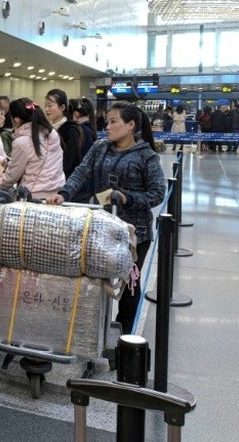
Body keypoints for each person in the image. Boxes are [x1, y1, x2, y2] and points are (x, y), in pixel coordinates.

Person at [46, 102, 166, 334]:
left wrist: (127, 197)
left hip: (135, 235)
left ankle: (124, 334)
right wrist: (64, 194)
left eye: (113, 122)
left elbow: (157, 193)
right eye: (107, 122)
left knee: (129, 284)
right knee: (95, 281)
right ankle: (93, 331)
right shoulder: (100, 147)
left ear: (131, 125)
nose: (107, 127)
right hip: (101, 229)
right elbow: (81, 172)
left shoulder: (147, 156)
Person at [0, 98, 65, 199]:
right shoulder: (52, 133)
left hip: (33, 195)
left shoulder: (22, 142)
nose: (5, 119)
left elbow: (11, 177)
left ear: (17, 120)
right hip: (57, 193)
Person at [45, 89, 83, 179]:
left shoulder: (70, 130)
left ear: (62, 107)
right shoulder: (47, 128)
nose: (46, 109)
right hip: (48, 178)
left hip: (63, 180)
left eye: (50, 106)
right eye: (45, 106)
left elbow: (68, 162)